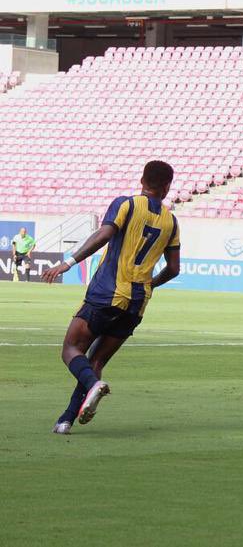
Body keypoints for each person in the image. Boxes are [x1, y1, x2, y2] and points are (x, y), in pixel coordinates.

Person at [42, 161, 181, 434]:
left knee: (71, 349)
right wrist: (150, 284)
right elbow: (174, 268)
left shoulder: (126, 204)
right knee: (96, 361)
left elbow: (105, 234)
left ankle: (92, 386)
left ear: (142, 180)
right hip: (137, 303)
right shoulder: (171, 221)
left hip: (107, 293)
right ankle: (66, 419)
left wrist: (67, 263)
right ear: (167, 187)